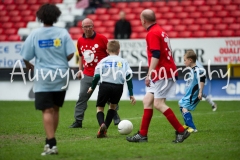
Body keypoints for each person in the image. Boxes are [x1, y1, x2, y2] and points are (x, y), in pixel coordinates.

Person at [126, 9, 190, 143]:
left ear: (143, 21)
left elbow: (156, 54)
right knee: (147, 101)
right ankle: (142, 135)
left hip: (163, 72)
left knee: (159, 103)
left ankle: (181, 130)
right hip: (164, 71)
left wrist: (149, 74)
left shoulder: (152, 33)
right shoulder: (160, 30)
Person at [20, 4, 76, 155]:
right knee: (55, 108)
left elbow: (25, 56)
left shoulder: (35, 34)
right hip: (61, 74)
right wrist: (60, 60)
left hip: (43, 75)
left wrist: (29, 66)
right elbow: (71, 53)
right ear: (56, 17)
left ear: (40, 17)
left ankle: (52, 144)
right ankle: (49, 141)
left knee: (47, 109)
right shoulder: (63, 33)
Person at [69, 18, 121, 128]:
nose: (88, 29)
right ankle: (78, 121)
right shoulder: (80, 41)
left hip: (103, 74)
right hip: (87, 74)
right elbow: (81, 56)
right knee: (82, 97)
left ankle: (115, 116)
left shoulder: (102, 39)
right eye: (85, 27)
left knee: (108, 97)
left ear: (93, 26)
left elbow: (110, 54)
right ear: (82, 28)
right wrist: (80, 70)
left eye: (89, 26)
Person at [87, 40, 136, 138]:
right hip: (118, 87)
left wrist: (92, 87)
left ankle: (102, 124)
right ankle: (105, 130)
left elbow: (96, 76)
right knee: (112, 107)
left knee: (100, 108)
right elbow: (129, 77)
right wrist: (131, 93)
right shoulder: (123, 62)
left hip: (105, 86)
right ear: (118, 50)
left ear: (107, 50)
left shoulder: (103, 61)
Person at [179, 50, 206, 133]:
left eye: (185, 60)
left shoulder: (197, 70)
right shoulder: (193, 69)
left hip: (194, 93)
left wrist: (200, 92)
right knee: (181, 103)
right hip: (190, 93)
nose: (184, 62)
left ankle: (193, 127)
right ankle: (187, 124)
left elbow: (202, 78)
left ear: (190, 60)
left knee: (184, 108)